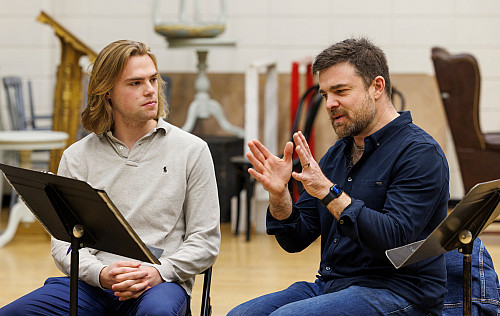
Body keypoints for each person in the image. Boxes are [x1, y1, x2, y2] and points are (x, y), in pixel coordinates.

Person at [228, 37, 449, 315]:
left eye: (340, 91)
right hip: (333, 285)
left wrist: (329, 193)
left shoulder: (420, 153)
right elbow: (295, 239)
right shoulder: (337, 153)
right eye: (324, 94)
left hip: (399, 292)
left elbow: (393, 238)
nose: (330, 103)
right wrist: (279, 195)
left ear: (377, 87)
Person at [0, 40, 221, 316]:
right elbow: (64, 243)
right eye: (135, 83)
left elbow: (205, 240)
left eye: (153, 79)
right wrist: (101, 273)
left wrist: (157, 272)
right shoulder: (77, 156)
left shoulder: (192, 150)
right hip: (92, 284)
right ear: (107, 93)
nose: (150, 90)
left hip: (158, 283)